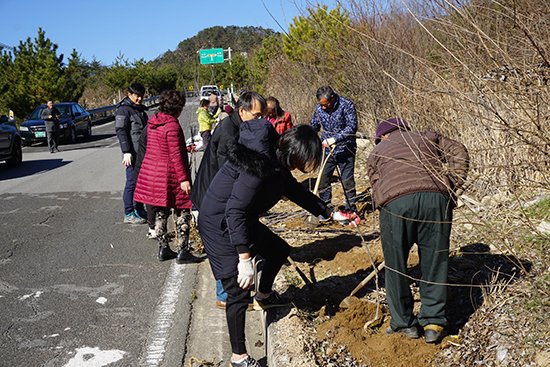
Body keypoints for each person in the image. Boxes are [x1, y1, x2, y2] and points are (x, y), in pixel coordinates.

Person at [198, 122, 333, 367]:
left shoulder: (277, 162)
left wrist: (328, 212)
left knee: (278, 249)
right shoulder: (257, 166)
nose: (308, 165)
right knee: (238, 291)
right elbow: (234, 211)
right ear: (297, 153)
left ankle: (265, 296)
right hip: (220, 223)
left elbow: (295, 191)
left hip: (239, 219)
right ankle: (238, 357)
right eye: (308, 159)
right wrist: (244, 259)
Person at [367, 117, 469, 343]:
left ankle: (404, 324)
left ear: (383, 136)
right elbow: (458, 150)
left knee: (396, 266)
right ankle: (433, 323)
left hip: (396, 205)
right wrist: (450, 184)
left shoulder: (377, 152)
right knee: (435, 261)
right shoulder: (428, 136)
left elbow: (376, 185)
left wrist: (384, 200)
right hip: (436, 198)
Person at [191, 92, 265, 310]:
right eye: (257, 115)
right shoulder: (229, 132)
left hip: (214, 194)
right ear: (242, 112)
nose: (261, 120)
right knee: (226, 242)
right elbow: (230, 171)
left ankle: (231, 292)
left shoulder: (237, 126)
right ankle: (226, 296)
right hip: (210, 196)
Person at [134, 90, 203, 264]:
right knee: (183, 210)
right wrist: (184, 179)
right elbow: (176, 155)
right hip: (168, 174)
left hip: (152, 173)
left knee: (160, 210)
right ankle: (183, 251)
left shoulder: (153, 122)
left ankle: (163, 248)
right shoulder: (172, 126)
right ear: (178, 108)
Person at [310, 86, 359, 224]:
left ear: (332, 98)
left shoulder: (346, 105)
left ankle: (350, 212)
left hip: (345, 150)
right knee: (323, 181)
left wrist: (335, 139)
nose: (323, 108)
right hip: (326, 152)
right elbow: (314, 125)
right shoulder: (319, 108)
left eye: (325, 105)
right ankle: (326, 211)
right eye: (321, 105)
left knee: (347, 182)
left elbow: (352, 127)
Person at [115, 82, 149, 225]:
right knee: (131, 182)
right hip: (132, 153)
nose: (140, 99)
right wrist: (126, 151)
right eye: (137, 96)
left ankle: (139, 209)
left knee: (141, 183)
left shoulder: (139, 110)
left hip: (142, 152)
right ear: (129, 95)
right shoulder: (124, 110)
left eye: (142, 96)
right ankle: (128, 212)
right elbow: (121, 131)